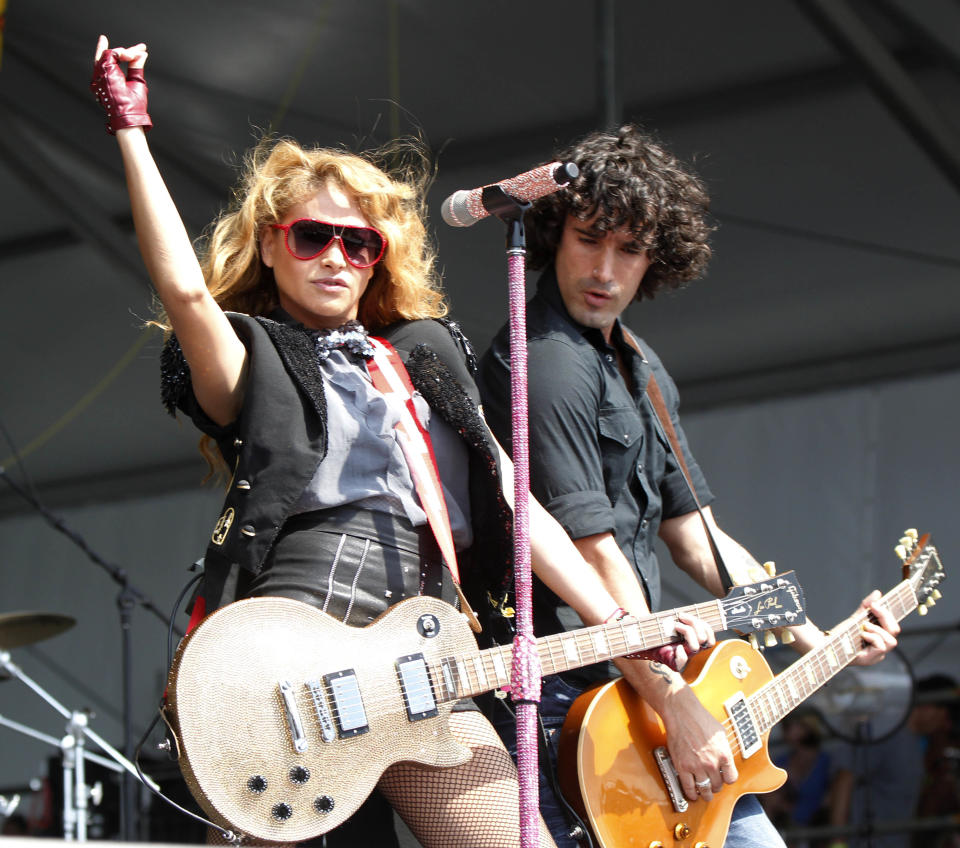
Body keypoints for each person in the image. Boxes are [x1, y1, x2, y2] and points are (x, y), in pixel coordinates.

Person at [90, 40, 713, 848]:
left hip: (427, 660)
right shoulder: (255, 357)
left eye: (360, 244)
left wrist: (632, 630)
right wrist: (130, 126)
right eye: (314, 236)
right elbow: (182, 291)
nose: (337, 257)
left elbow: (517, 505)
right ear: (272, 241)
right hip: (290, 670)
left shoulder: (422, 353)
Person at [477, 123, 901, 847]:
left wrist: (817, 638)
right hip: (572, 705)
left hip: (641, 696)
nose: (605, 269)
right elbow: (595, 555)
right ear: (554, 233)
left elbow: (698, 538)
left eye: (630, 249)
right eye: (589, 239)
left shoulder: (640, 366)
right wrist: (674, 701)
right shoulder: (544, 362)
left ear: (657, 261)